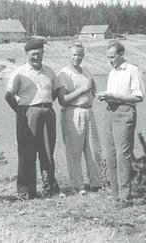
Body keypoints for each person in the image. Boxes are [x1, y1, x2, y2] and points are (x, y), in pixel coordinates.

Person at [5, 39, 61, 199]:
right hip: (27, 112)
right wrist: (22, 111)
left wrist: (45, 105)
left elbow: (55, 91)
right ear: (27, 54)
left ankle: (49, 187)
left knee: (47, 151)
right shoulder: (19, 72)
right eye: (33, 54)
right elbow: (8, 96)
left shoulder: (50, 72)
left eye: (39, 53)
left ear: (43, 53)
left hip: (47, 113)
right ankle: (26, 191)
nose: (36, 57)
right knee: (26, 152)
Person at [97, 40, 144, 206]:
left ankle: (125, 196)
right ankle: (115, 194)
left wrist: (116, 97)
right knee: (110, 153)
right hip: (110, 112)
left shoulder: (132, 70)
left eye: (113, 57)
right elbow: (114, 94)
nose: (110, 60)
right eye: (108, 57)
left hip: (125, 113)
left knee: (122, 155)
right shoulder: (112, 72)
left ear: (121, 54)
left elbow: (138, 97)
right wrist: (107, 97)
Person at [57, 41, 103, 195]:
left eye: (80, 55)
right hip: (72, 113)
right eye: (74, 55)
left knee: (93, 149)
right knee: (74, 151)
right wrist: (83, 89)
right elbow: (62, 100)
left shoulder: (86, 71)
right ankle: (78, 185)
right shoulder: (64, 74)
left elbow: (93, 88)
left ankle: (96, 183)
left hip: (88, 112)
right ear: (69, 55)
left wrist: (90, 95)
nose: (77, 58)